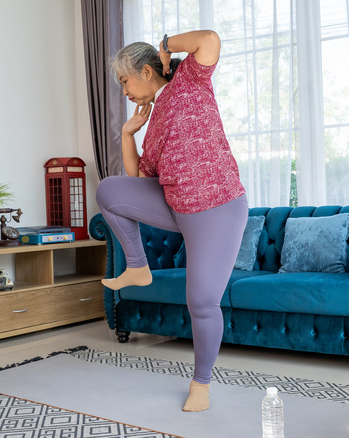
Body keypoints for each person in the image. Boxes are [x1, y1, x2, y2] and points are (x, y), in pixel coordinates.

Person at [96, 30, 248, 412]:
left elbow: (209, 39)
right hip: (177, 207)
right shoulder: (154, 126)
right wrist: (128, 134)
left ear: (147, 72)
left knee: (201, 301)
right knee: (109, 192)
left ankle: (201, 384)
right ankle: (137, 268)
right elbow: (138, 180)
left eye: (124, 81)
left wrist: (166, 48)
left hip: (218, 209)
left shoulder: (190, 80)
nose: (124, 91)